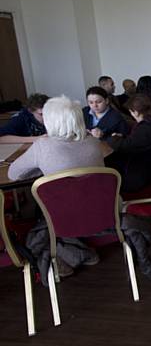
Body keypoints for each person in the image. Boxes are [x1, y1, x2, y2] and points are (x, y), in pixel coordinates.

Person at [9, 95, 104, 277]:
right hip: (101, 211)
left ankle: (72, 255)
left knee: (39, 223)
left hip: (63, 215)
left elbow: (14, 174)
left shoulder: (43, 146)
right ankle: (79, 251)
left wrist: (42, 168)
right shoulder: (93, 142)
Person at [105, 94, 151, 193]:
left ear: (135, 112)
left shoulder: (147, 127)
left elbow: (126, 145)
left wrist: (113, 138)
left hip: (148, 168)